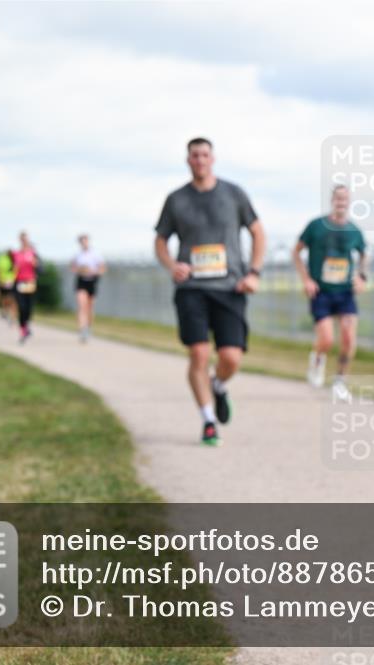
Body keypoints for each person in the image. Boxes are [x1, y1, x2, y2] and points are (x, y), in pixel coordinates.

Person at [154, 137, 266, 446]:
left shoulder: (233, 194)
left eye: (205, 154)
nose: (200, 160)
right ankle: (208, 421)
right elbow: (161, 240)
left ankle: (218, 385)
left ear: (213, 158)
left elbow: (258, 232)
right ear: (188, 160)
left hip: (229, 287)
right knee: (199, 353)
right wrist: (171, 264)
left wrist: (253, 272)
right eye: (194, 155)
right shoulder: (176, 199)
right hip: (192, 288)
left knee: (231, 357)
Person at [292, 185, 367, 395]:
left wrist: (361, 277)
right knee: (326, 339)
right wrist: (306, 279)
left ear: (349, 202)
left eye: (345, 199)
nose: (341, 203)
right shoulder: (316, 226)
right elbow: (296, 252)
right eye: (338, 198)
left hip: (345, 291)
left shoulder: (354, 230)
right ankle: (317, 360)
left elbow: (364, 254)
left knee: (349, 338)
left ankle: (340, 381)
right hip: (321, 291)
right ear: (332, 200)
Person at [70, 234, 106, 343]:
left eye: (85, 241)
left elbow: (102, 268)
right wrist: (80, 270)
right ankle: (82, 329)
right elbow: (73, 267)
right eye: (82, 241)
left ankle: (89, 326)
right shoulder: (78, 255)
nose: (84, 243)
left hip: (92, 281)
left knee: (89, 307)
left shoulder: (96, 254)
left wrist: (93, 271)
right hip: (81, 281)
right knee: (82, 305)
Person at [11, 232, 39, 344]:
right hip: (19, 282)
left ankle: (27, 325)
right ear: (19, 240)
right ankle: (22, 330)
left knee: (29, 307)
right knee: (21, 307)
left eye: (25, 239)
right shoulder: (16, 254)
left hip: (30, 282)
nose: (24, 241)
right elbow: (13, 268)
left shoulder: (33, 253)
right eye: (22, 239)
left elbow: (39, 268)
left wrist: (35, 263)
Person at [0, 249, 17, 324]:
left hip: (12, 282)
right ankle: (5, 311)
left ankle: (12, 317)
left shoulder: (15, 259)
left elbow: (17, 270)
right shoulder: (2, 259)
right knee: (5, 298)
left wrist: (14, 280)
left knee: (12, 300)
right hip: (4, 282)